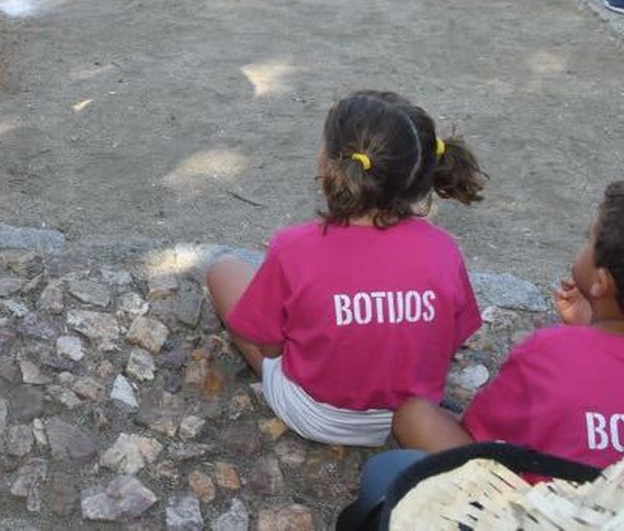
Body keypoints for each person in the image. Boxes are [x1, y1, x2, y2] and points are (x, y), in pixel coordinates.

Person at [393, 177, 624, 486]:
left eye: (588, 238)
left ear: (601, 282)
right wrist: (593, 326)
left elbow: (481, 434)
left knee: (413, 414)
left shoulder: (550, 350)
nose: (584, 244)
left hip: (554, 514)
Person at [205, 91, 485, 447]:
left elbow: (271, 348)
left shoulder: (293, 248)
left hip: (317, 415)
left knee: (224, 270)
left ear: (329, 164)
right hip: (414, 414)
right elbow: (451, 340)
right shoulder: (444, 249)